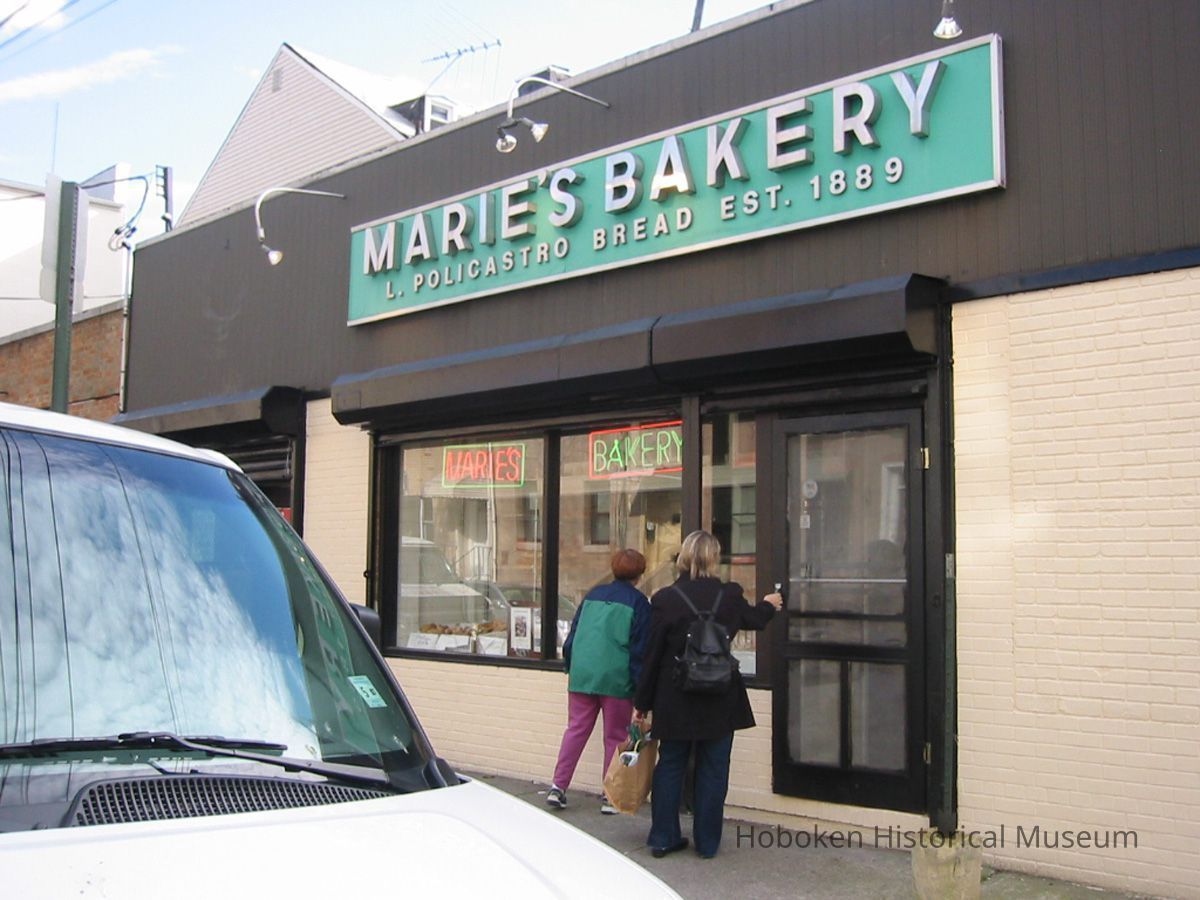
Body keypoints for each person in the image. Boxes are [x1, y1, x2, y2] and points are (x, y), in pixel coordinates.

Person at [633, 530, 783, 859]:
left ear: (684, 558)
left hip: (674, 697)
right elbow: (755, 619)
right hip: (720, 696)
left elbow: (652, 655)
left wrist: (641, 704)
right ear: (715, 558)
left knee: (670, 765)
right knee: (714, 769)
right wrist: (769, 605)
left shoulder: (665, 599)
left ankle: (663, 837)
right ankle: (707, 842)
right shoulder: (729, 595)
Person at [546, 548, 651, 814]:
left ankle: (558, 786)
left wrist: (571, 666)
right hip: (616, 677)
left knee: (576, 730)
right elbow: (639, 649)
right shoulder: (639, 603)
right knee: (615, 736)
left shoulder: (592, 595)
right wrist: (641, 689)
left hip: (583, 674)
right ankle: (609, 796)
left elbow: (573, 635)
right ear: (639, 574)